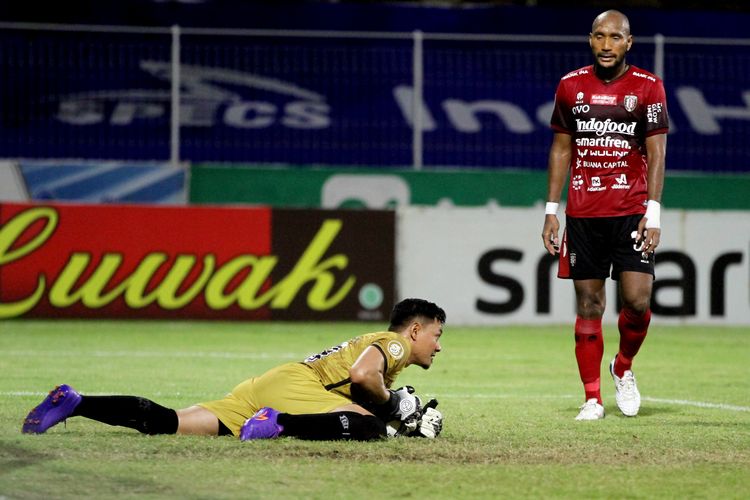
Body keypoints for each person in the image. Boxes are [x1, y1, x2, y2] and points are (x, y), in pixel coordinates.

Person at [22, 298, 445, 440]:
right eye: (436, 335)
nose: (438, 346)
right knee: (370, 430)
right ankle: (277, 425)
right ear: (414, 330)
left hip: (271, 383)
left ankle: (75, 403)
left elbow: (352, 388)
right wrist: (391, 409)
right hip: (295, 388)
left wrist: (395, 410)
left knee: (169, 421)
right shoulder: (392, 343)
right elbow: (361, 377)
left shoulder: (380, 346)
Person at [541, 10, 668, 420]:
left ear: (629, 42)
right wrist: (550, 210)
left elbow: (656, 152)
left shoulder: (648, 88)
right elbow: (561, 148)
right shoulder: (570, 86)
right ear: (590, 40)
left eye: (616, 37)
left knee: (637, 300)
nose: (607, 44)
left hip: (631, 211)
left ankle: (623, 366)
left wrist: (654, 211)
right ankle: (593, 398)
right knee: (589, 305)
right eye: (599, 36)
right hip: (583, 214)